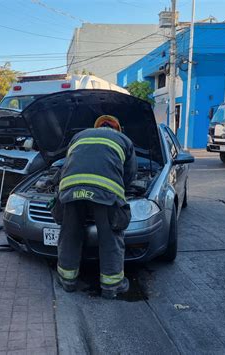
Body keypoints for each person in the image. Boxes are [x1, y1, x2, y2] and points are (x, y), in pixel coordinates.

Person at [55, 115, 137, 299]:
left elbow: (68, 163)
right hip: (106, 193)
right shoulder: (124, 140)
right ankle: (112, 286)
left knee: (70, 234)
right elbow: (130, 174)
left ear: (96, 126)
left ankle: (67, 281)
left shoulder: (80, 136)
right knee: (110, 237)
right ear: (117, 129)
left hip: (70, 187)